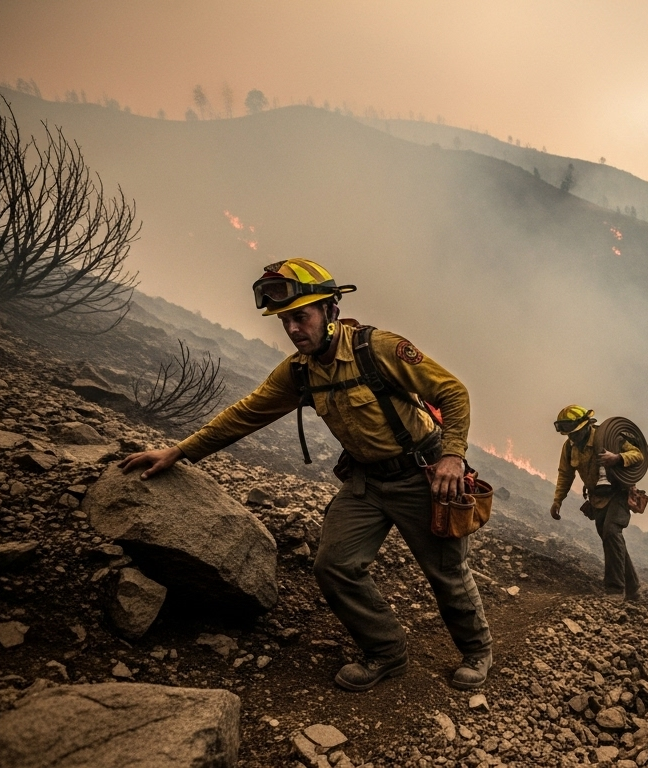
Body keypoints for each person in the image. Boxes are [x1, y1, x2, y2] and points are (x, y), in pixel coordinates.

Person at [118, 258, 492, 692]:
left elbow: (452, 392)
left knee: (446, 571)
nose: (293, 329)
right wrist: (179, 451)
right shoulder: (299, 371)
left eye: (301, 316)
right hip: (365, 483)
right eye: (285, 320)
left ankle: (477, 651)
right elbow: (245, 415)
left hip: (423, 477)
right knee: (334, 566)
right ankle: (386, 653)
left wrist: (452, 457)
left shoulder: (380, 350)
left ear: (331, 312)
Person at [549, 406, 644, 601]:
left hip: (618, 494)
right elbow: (565, 475)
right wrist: (557, 500)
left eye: (574, 433)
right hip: (597, 498)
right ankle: (633, 589)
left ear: (585, 427)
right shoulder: (569, 447)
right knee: (611, 539)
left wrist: (617, 457)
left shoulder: (608, 437)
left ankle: (615, 590)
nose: (572, 438)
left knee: (611, 531)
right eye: (569, 435)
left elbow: (638, 455)